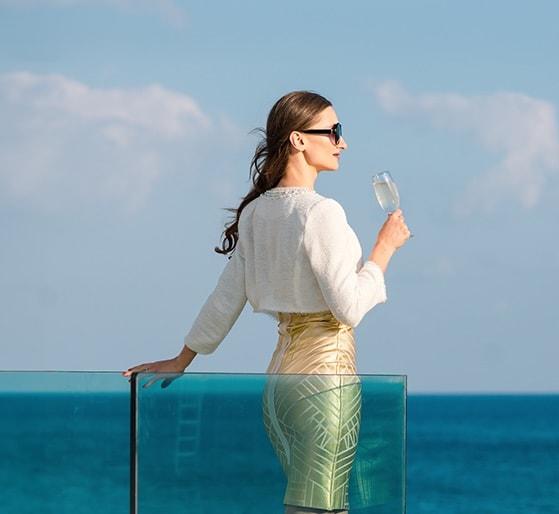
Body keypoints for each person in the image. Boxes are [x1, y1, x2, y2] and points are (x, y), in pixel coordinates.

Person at [125, 90, 410, 514]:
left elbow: (227, 297)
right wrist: (382, 254)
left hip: (279, 385)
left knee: (303, 504)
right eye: (334, 131)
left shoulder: (257, 213)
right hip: (324, 377)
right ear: (298, 139)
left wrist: (183, 358)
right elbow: (348, 309)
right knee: (323, 508)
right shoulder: (321, 212)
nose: (342, 142)